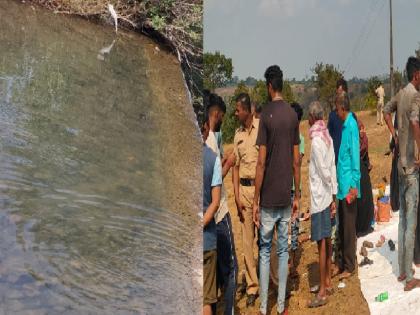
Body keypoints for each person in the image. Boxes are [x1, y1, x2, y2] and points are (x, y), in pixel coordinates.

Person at [253, 65, 300, 315]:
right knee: (282, 251)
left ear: (270, 86)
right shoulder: (292, 115)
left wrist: (255, 201)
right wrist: (298, 193)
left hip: (268, 197)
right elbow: (296, 160)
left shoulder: (265, 116)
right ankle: (281, 306)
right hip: (285, 194)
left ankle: (263, 307)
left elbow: (260, 162)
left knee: (264, 251)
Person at [384, 56, 420, 290]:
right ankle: (408, 277)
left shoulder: (399, 94)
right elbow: (416, 123)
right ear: (416, 75)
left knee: (402, 220)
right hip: (411, 167)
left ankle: (401, 269)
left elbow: (387, 112)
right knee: (411, 221)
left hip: (400, 165)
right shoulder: (415, 95)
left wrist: (395, 136)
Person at [205, 92, 238, 314]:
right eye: (222, 117)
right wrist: (229, 164)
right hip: (219, 214)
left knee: (211, 274)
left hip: (206, 217)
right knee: (231, 268)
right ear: (216, 114)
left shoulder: (202, 140)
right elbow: (215, 182)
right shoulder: (210, 143)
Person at [270, 102, 305, 287]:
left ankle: (291, 266)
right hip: (283, 189)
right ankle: (286, 266)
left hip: (293, 189)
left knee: (294, 227)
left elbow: (297, 163)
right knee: (283, 229)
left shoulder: (299, 139)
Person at [306, 101, 337, 308]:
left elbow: (325, 170)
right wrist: (333, 193)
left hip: (319, 198)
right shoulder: (327, 137)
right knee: (326, 238)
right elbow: (332, 167)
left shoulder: (317, 140)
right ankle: (327, 281)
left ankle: (323, 292)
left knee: (321, 243)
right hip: (326, 195)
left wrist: (329, 188)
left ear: (311, 117)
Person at [232, 93, 260, 307]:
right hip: (244, 193)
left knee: (267, 238)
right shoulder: (237, 135)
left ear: (248, 110)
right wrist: (236, 196)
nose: (235, 113)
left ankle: (271, 280)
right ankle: (252, 285)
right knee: (247, 242)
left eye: (238, 109)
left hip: (262, 192)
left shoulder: (262, 128)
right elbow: (235, 167)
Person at [335, 91, 360, 280]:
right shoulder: (345, 125)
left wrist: (353, 185)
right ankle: (343, 262)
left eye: (337, 108)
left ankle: (350, 265)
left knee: (349, 227)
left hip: (349, 185)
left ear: (342, 108)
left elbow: (355, 159)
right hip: (342, 185)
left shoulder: (351, 125)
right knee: (342, 225)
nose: (336, 112)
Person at [327, 78, 347, 277]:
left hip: (347, 171)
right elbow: (329, 142)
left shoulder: (351, 118)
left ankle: (345, 254)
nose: (339, 97)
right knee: (337, 213)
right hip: (336, 170)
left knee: (346, 214)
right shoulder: (333, 118)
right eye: (337, 94)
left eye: (342, 94)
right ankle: (337, 256)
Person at [202, 118, 222, 315]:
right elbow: (215, 203)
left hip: (181, 242)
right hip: (206, 240)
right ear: (206, 131)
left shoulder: (180, 161)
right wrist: (200, 224)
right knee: (206, 298)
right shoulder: (213, 160)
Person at [356, 119, 374, 237]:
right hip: (355, 170)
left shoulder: (364, 140)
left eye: (363, 129)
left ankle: (366, 224)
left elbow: (366, 156)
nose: (363, 132)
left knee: (367, 196)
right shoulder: (353, 140)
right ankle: (360, 226)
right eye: (360, 129)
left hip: (363, 168)